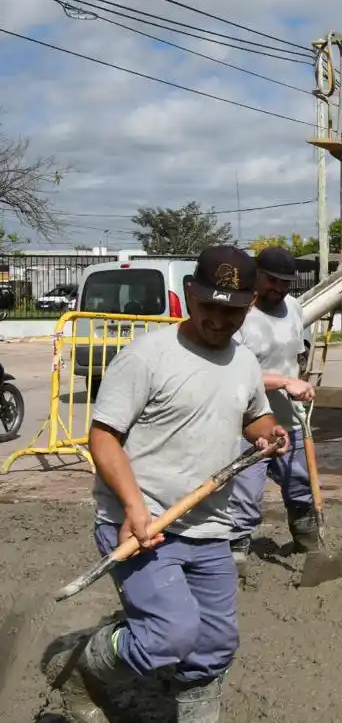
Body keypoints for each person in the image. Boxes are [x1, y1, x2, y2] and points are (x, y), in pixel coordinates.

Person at [63, 245, 289, 723]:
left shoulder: (245, 363)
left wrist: (268, 434)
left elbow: (255, 416)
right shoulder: (147, 357)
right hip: (140, 523)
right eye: (209, 306)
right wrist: (132, 507)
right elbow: (103, 438)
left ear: (249, 303)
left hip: (208, 525)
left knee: (215, 641)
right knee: (169, 635)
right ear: (190, 293)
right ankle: (93, 664)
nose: (218, 320)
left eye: (231, 310)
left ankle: (195, 709)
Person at [226, 246, 318, 572]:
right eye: (272, 281)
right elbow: (232, 372)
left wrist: (301, 380)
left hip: (289, 420)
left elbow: (300, 351)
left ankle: (309, 546)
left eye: (285, 283)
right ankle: (234, 561)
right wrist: (282, 382)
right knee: (244, 496)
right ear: (256, 275)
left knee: (301, 486)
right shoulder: (238, 314)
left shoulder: (294, 307)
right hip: (247, 422)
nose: (279, 289)